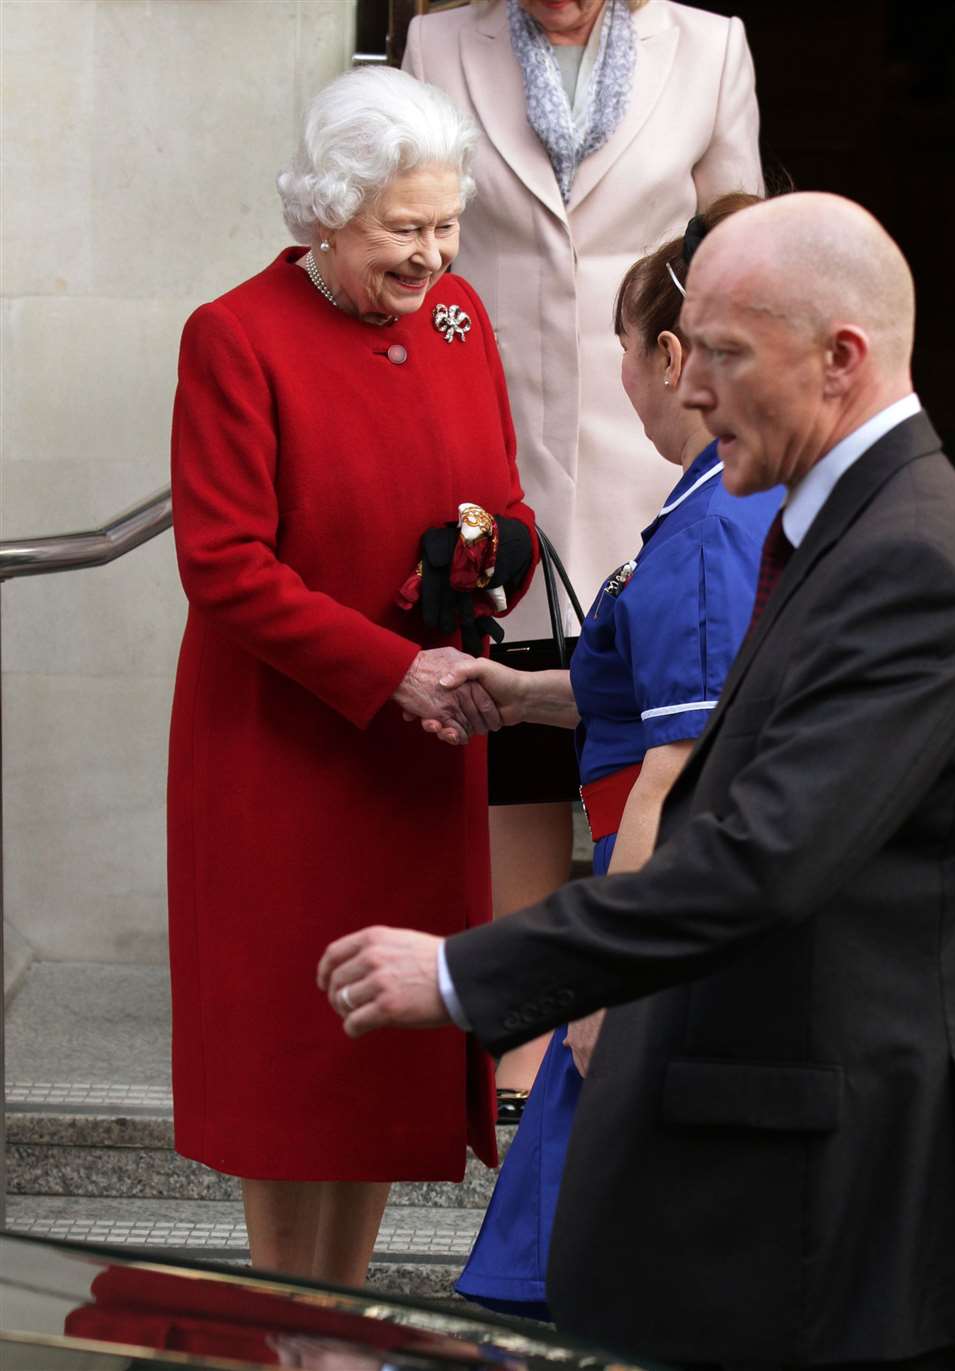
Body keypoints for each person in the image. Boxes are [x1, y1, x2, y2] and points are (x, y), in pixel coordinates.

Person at [318, 192, 955, 1369]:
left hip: (857, 1196)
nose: (695, 385)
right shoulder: (847, 526)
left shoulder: (912, 557)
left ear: (842, 359)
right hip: (812, 1177)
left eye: (723, 352)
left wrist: (471, 971)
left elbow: (761, 855)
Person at [167, 66, 535, 1288]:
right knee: (293, 1053)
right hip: (288, 753)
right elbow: (222, 563)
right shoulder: (237, 335)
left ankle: (344, 1315)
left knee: (387, 1041)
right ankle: (286, 1319)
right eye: (404, 229)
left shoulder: (458, 319)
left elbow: (503, 494)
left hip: (416, 754)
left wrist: (495, 555)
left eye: (446, 224)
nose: (435, 255)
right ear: (326, 211)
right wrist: (394, 671)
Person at [425, 192, 780, 1318]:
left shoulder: (714, 520)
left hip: (652, 913)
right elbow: (631, 692)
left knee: (564, 1272)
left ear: (671, 357)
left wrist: (608, 976)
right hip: (657, 911)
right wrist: (520, 693)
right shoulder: (704, 507)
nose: (620, 376)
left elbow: (683, 760)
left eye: (623, 351)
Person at [403, 0, 765, 1099]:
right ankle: (522, 1018)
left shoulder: (710, 45)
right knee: (509, 718)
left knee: (635, 706)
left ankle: (606, 1002)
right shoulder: (436, 44)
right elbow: (406, 227)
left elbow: (742, 241)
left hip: (653, 420)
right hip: (484, 426)